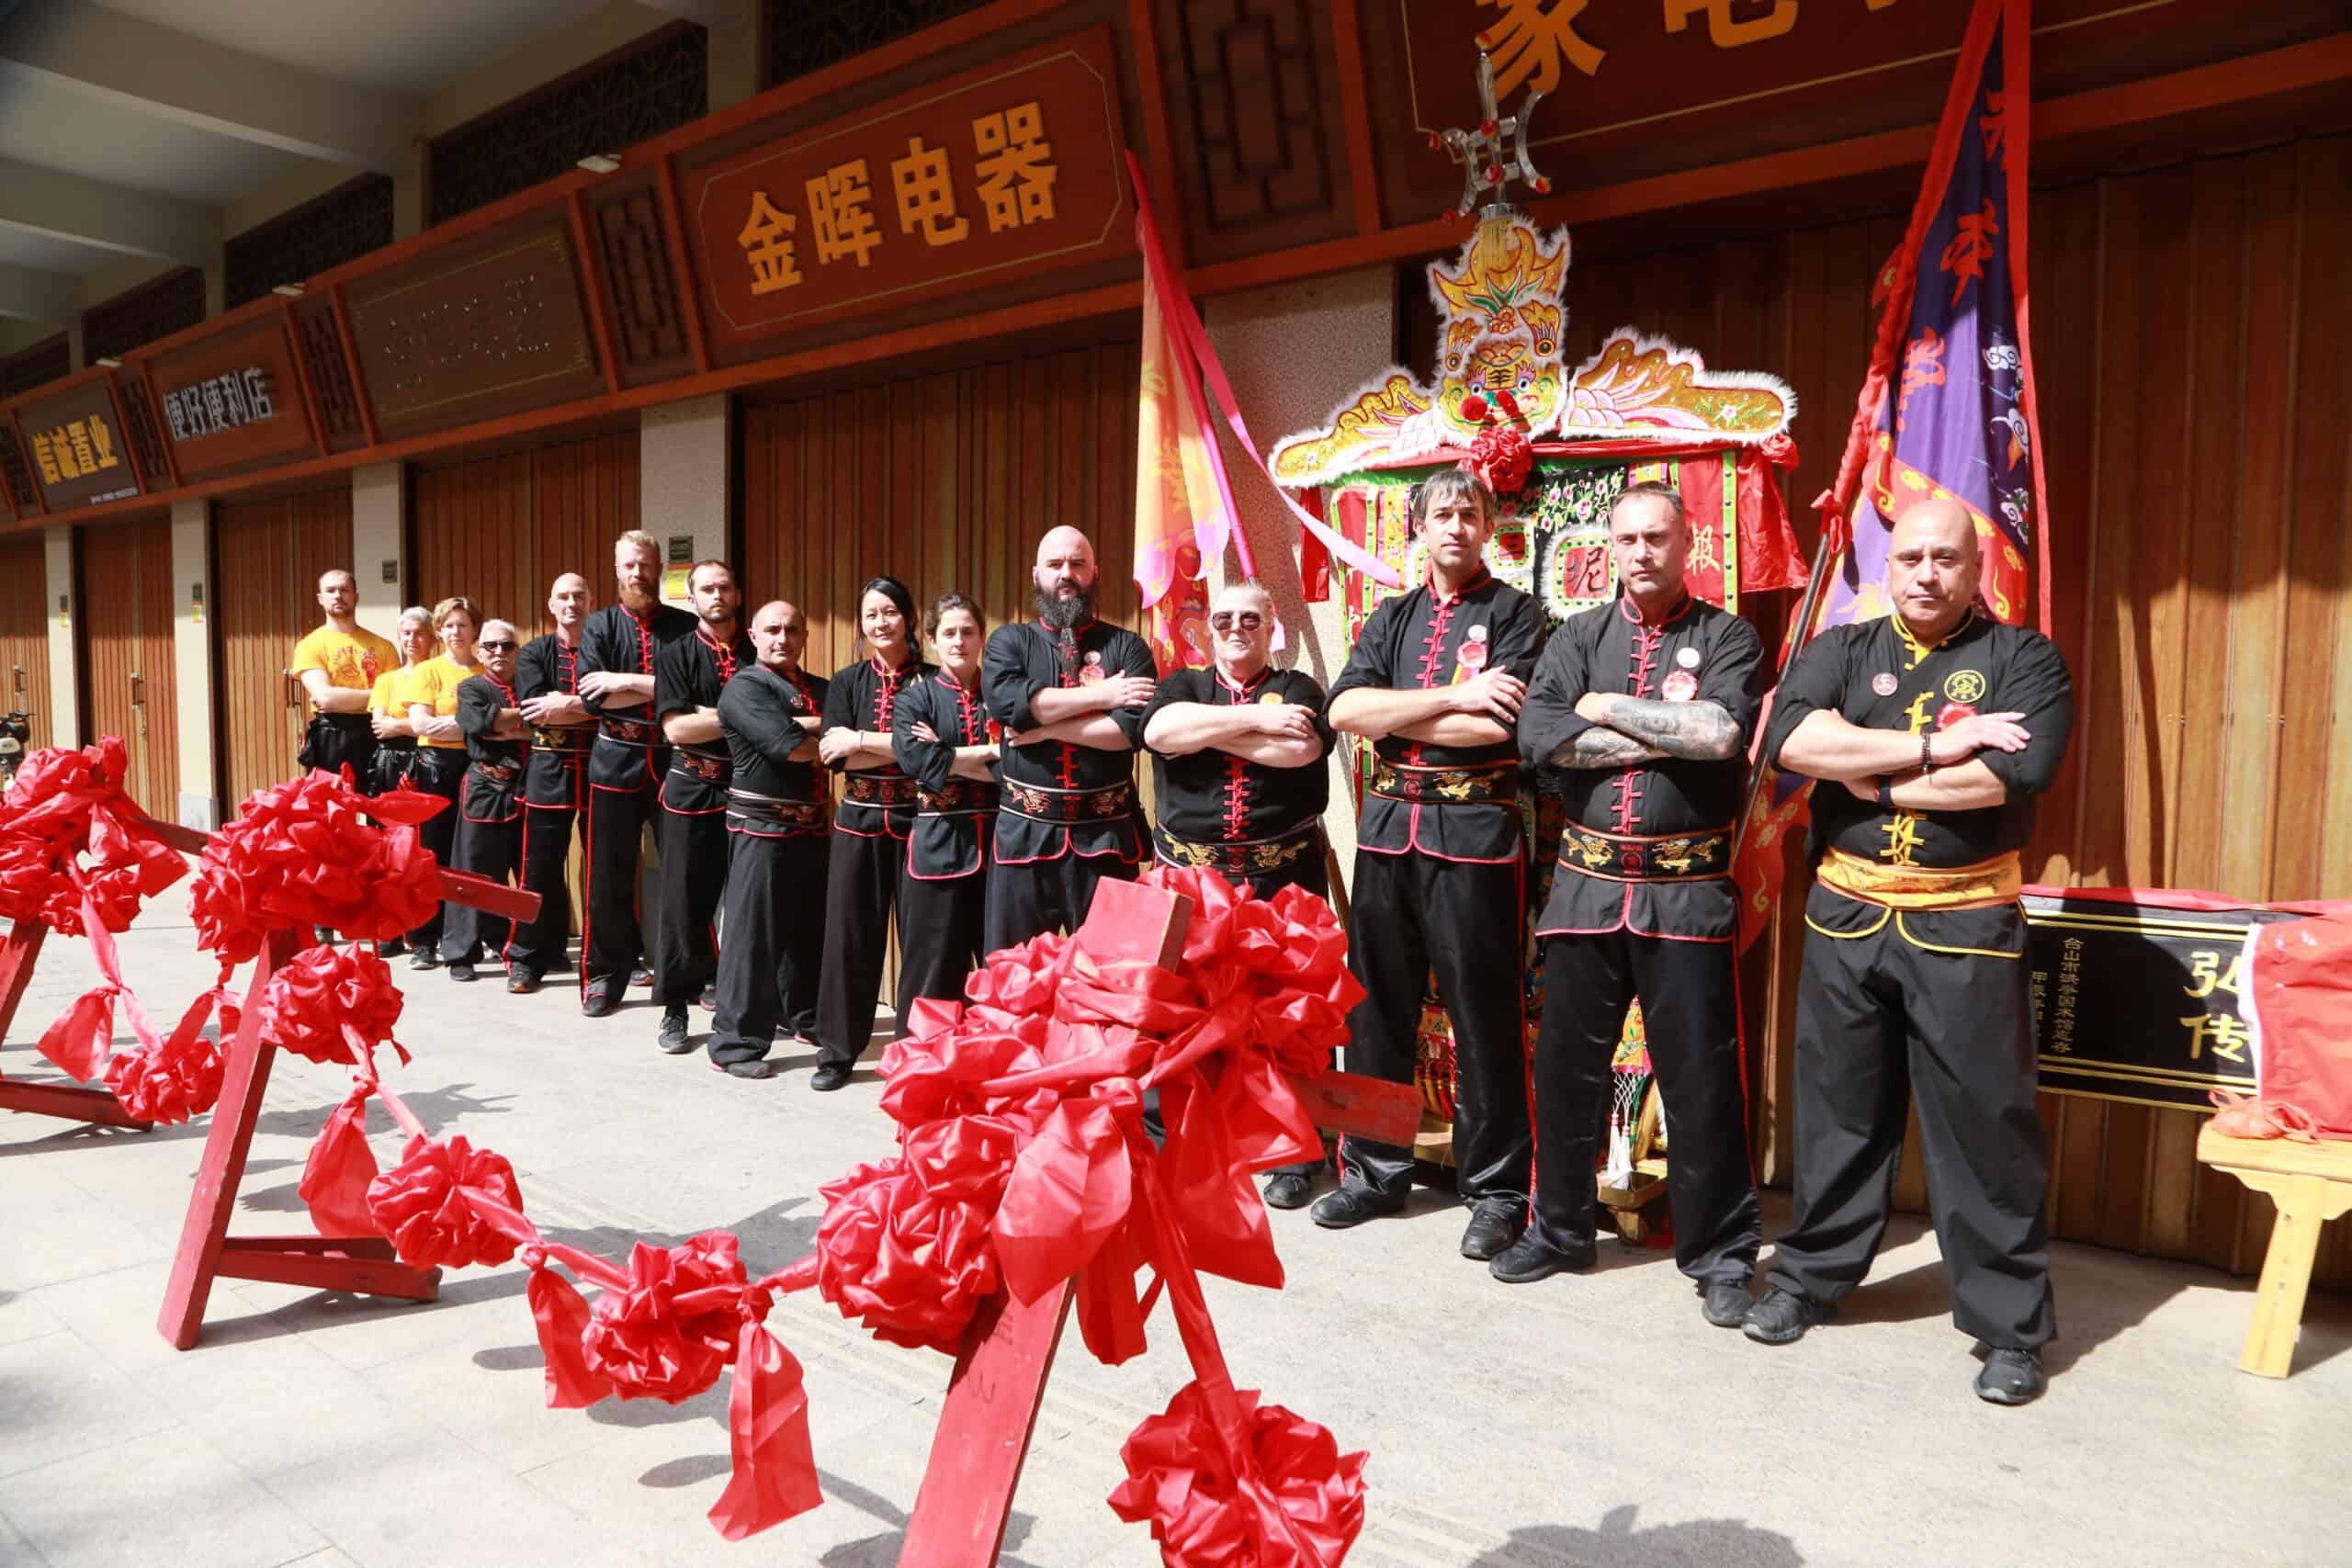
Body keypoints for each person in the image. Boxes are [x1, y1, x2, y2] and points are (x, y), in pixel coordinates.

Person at [1746, 498, 2073, 1405]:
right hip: (1846, 921)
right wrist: (1929, 747)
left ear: (1976, 569)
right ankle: (1810, 1280)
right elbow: (1792, 738)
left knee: (1985, 1129)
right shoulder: (1842, 649)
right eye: (1911, 557)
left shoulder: (2024, 660)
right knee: (1838, 1115)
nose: (1926, 574)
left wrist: (1864, 775)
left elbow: (2007, 775)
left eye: (1946, 559)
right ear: (1888, 567)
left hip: (1964, 925)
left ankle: (2008, 1328)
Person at [1498, 482, 1767, 1324]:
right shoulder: (1577, 635)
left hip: (1685, 893)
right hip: (1584, 890)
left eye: (1658, 536)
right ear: (1609, 548)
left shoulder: (1725, 636)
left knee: (1701, 1080)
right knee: (1564, 1073)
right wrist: (1660, 728)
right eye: (1628, 539)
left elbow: (1722, 736)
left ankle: (1720, 1253)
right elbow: (1541, 737)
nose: (1642, 551)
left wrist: (1607, 709)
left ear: (1688, 543)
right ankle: (1560, 1227)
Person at [1315, 467, 1543, 1262]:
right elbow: (1344, 710)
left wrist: (1405, 710)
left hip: (1475, 838)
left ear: (1488, 527)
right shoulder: (1391, 617)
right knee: (1376, 1007)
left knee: (1484, 1013)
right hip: (1386, 834)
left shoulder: (1518, 613)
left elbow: (1502, 724)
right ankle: (1375, 1170)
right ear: (1419, 526)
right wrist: (1453, 696)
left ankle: (1498, 1190)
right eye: (1441, 512)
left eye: (1468, 512)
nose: (1455, 524)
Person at [1140, 579, 1333, 1209]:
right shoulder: (1182, 686)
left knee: (1285, 1019)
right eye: (1223, 617)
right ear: (1206, 626)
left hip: (1283, 882)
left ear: (1271, 623)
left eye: (1249, 617)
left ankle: (1293, 1153)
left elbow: (1300, 746)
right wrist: (1253, 719)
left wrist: (1207, 732)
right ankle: (1175, 1143)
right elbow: (1162, 732)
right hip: (1194, 884)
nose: (1234, 627)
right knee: (1180, 1015)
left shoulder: (1300, 688)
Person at [980, 526, 1155, 953]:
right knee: (1012, 979)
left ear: (1094, 573)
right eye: (1056, 564)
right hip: (1024, 837)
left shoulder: (1128, 646)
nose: (1066, 574)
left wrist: (1043, 726)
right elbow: (1009, 706)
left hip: (1107, 840)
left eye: (1077, 564)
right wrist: (1102, 695)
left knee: (1111, 978)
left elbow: (1127, 732)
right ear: (1037, 573)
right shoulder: (1008, 642)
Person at [811, 576, 932, 1091]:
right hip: (857, 822)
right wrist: (902, 746)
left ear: (909, 618)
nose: (881, 623)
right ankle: (838, 1049)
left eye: (890, 612)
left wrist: (864, 741)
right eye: (871, 615)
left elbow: (933, 752)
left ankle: (916, 1052)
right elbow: (832, 752)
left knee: (924, 943)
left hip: (920, 824)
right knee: (848, 940)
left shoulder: (934, 681)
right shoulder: (847, 682)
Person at [576, 532, 697, 1018]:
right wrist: (663, 690)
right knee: (606, 878)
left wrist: (625, 681)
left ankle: (693, 973)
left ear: (660, 567)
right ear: (616, 569)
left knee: (688, 875)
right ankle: (605, 976)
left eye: (645, 565)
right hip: (615, 763)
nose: (637, 574)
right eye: (629, 565)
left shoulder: (686, 626)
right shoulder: (600, 626)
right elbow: (592, 697)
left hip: (676, 764)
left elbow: (696, 691)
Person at [707, 601, 831, 1079]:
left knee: (806, 930)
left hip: (813, 824)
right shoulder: (744, 687)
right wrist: (836, 735)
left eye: (793, 630)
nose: (783, 638)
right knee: (751, 937)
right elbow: (789, 746)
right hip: (759, 825)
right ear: (754, 636)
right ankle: (734, 1043)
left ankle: (802, 1017)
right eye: (773, 630)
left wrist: (827, 732)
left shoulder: (822, 687)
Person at [649, 560, 752, 1055]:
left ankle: (749, 1003)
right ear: (692, 598)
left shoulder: (758, 651)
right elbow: (676, 730)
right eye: (707, 588)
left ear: (737, 594)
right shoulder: (675, 653)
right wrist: (742, 717)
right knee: (684, 905)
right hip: (691, 790)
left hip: (752, 791)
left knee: (750, 906)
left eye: (724, 587)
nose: (717, 595)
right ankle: (675, 1007)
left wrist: (707, 717)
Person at [890, 592, 1001, 1029]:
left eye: (968, 632)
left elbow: (1016, 768)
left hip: (999, 851)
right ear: (933, 640)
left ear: (982, 637)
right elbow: (916, 762)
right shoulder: (915, 699)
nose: (959, 641)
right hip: (937, 852)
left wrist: (947, 753)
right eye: (949, 633)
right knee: (930, 971)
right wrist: (986, 755)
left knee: (1000, 968)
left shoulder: (1002, 694)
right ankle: (917, 1069)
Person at [507, 573, 595, 994]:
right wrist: (594, 709)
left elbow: (624, 711)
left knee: (605, 870)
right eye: (563, 596)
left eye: (579, 595)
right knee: (537, 869)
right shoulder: (535, 652)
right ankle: (527, 958)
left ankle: (613, 956)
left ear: (590, 602)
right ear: (551, 604)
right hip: (549, 771)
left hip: (603, 771)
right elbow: (534, 711)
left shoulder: (607, 649)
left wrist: (568, 706)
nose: (572, 603)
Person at [402, 596, 485, 970]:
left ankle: (475, 936)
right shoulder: (428, 671)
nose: (456, 631)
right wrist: (469, 725)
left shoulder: (485, 671)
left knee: (470, 854)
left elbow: (495, 720)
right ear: (439, 631)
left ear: (474, 629)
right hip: (436, 766)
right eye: (449, 625)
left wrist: (452, 724)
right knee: (431, 852)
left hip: (477, 765)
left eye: (462, 624)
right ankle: (424, 938)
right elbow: (420, 724)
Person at [444, 619, 529, 982]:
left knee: (523, 869)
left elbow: (549, 724)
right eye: (491, 646)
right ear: (479, 652)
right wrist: (520, 723)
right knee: (471, 870)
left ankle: (514, 944)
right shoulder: (471, 686)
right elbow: (474, 722)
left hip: (525, 787)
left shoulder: (531, 685)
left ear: (517, 651)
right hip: (483, 786)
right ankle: (461, 952)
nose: (499, 653)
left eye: (507, 646)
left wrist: (502, 725)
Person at [364, 605, 436, 957]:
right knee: (385, 850)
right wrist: (409, 722)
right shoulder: (386, 680)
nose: (412, 639)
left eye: (420, 632)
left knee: (421, 851)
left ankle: (424, 938)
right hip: (389, 765)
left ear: (432, 637)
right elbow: (380, 725)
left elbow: (431, 723)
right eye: (406, 633)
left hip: (425, 762)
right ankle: (389, 930)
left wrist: (402, 724)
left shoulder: (438, 673)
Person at [290, 568, 395, 783]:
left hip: (375, 730)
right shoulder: (310, 645)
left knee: (379, 807)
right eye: (330, 590)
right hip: (331, 735)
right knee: (332, 809)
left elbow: (394, 698)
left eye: (345, 590)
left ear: (356, 597)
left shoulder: (383, 646)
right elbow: (326, 698)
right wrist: (376, 696)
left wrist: (343, 699)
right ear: (320, 599)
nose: (338, 595)